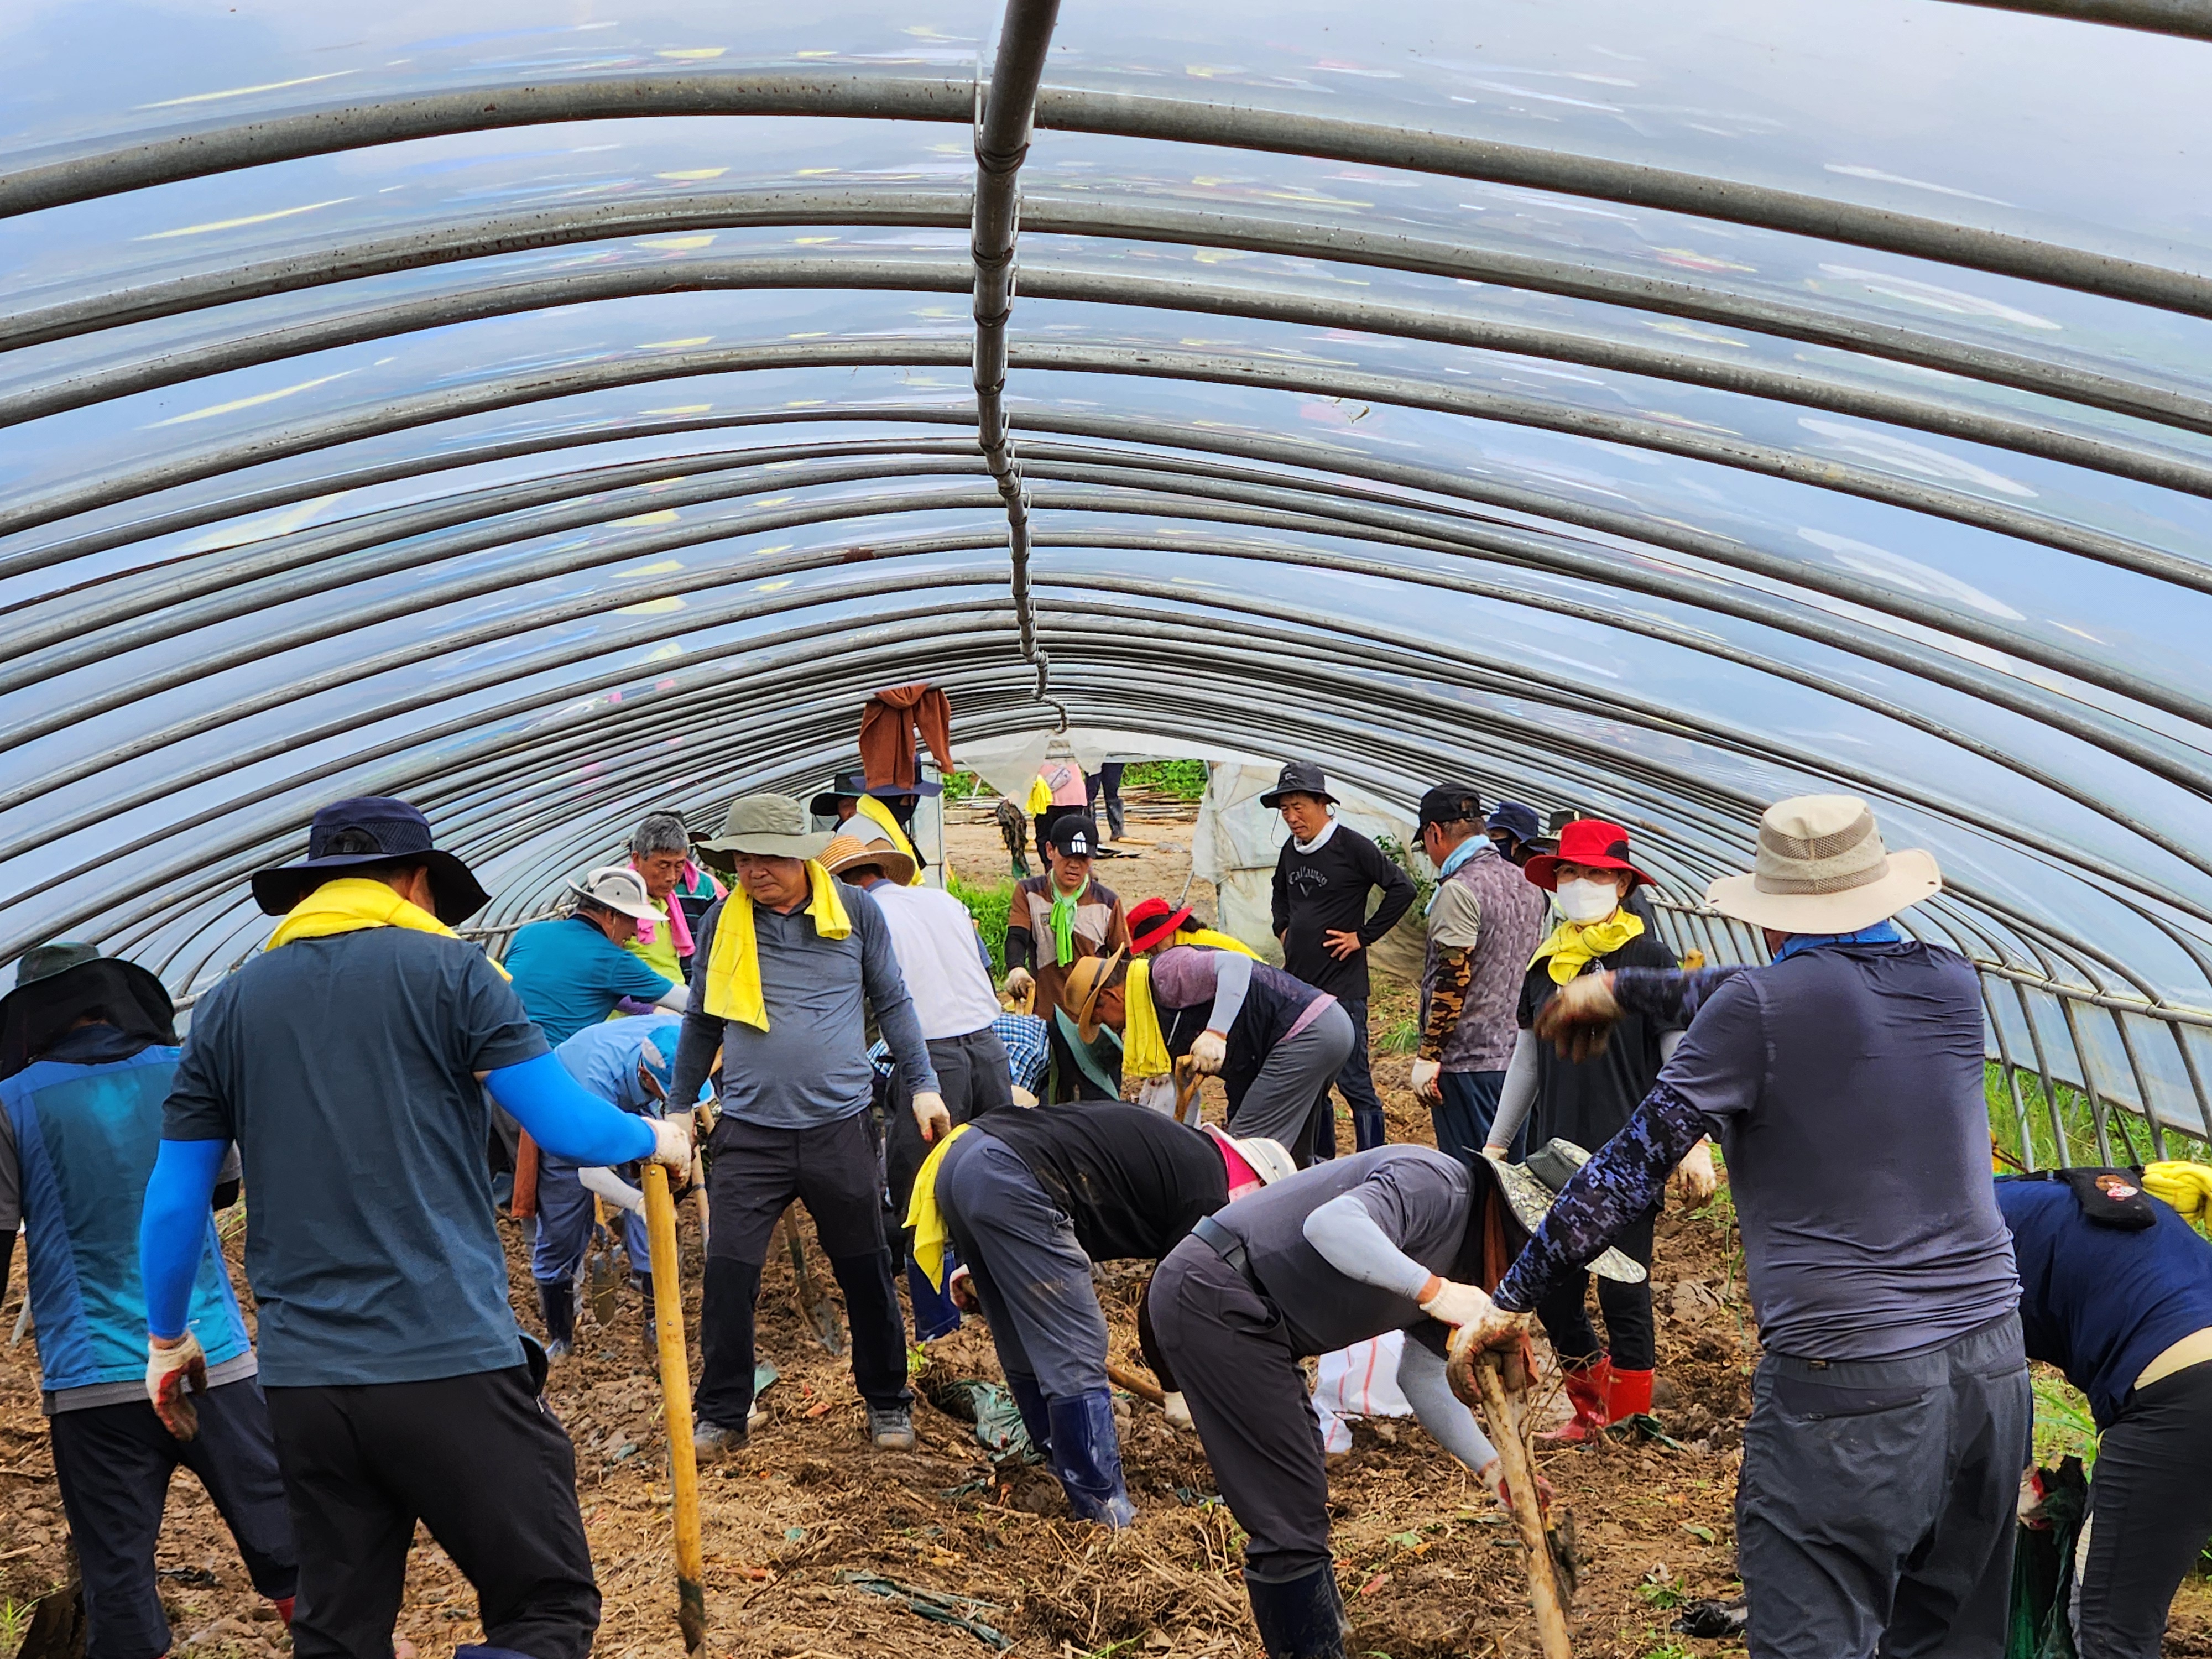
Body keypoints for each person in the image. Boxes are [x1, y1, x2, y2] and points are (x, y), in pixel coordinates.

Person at [1453, 794, 2030, 1659]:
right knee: (1949, 1635)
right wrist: (1618, 985)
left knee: (1816, 1631)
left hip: (1853, 1385)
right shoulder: (1950, 981)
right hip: (1991, 1370)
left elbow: (1622, 1170)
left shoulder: (1759, 1008)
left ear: (1769, 919)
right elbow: (1753, 989)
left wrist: (1510, 1300)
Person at [140, 796, 692, 1659]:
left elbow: (176, 1199)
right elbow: (572, 1132)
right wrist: (657, 1136)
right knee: (543, 1607)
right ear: (413, 882)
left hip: (306, 1386)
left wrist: (168, 1339)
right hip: (446, 1361)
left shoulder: (227, 1008)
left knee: (340, 1630)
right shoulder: (455, 975)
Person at [0, 945, 296, 1659]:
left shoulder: (11, 1103)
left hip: (92, 1382)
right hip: (211, 1359)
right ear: (115, 1000)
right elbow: (223, 1191)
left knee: (122, 1594)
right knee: (293, 1556)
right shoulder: (178, 1072)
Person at [1148, 1144, 1521, 1659]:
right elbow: (1332, 1225)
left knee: (1301, 1485)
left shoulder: (1477, 1264)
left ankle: (1331, 1641)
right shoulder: (1437, 1186)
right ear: (1512, 1214)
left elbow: (1421, 1376)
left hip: (1260, 1323)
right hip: (1215, 1292)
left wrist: (1492, 1468)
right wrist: (1431, 1290)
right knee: (1286, 1515)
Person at [667, 794, 947, 1459]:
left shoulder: (853, 913)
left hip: (838, 1127)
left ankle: (886, 1400)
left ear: (801, 857)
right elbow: (703, 1019)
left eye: (766, 857)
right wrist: (681, 1105)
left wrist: (924, 1086)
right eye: (740, 858)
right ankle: (723, 1412)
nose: (752, 870)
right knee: (729, 1274)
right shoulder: (722, 924)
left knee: (865, 1270)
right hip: (750, 1132)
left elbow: (894, 1002)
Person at [907, 1104, 1296, 1525]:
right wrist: (1176, 1392)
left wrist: (1004, 1259)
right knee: (1077, 1346)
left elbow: (1086, 1195)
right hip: (1010, 1175)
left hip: (967, 1162)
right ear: (1259, 1187)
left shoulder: (1185, 1155)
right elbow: (1163, 1304)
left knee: (1026, 1344)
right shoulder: (1211, 1194)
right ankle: (1102, 1506)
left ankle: (1056, 1463)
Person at [1479, 817, 1706, 1443]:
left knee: (1624, 1290)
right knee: (1552, 1292)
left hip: (1630, 1152)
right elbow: (1526, 1060)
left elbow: (1678, 1055)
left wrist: (1691, 1143)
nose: (1581, 884)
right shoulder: (1545, 965)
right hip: (1553, 1154)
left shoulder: (1651, 961)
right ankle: (1592, 1408)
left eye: (1596, 874)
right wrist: (1499, 1142)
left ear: (1623, 884)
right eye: (1571, 873)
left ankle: (1633, 1423)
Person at [1996, 1171, 2212, 1658]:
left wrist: (2020, 1476)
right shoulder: (2055, 1196)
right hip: (2189, 1371)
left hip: (2183, 1390)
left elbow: (1990, 1369)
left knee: (2107, 1627)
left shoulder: (1961, 1230)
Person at [820, 834, 1014, 1339]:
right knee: (993, 1183)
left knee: (920, 1201)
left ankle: (940, 1331)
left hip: (932, 1062)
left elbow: (864, 1002)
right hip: (989, 1051)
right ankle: (1001, 1309)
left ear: (843, 886)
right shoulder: (943, 900)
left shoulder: (862, 916)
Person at [1263, 762, 1414, 1156]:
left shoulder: (1351, 846)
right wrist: (1284, 928)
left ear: (1322, 803)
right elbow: (1280, 892)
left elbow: (1402, 888)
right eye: (1284, 810)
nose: (1292, 818)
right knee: (1312, 1080)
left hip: (1343, 987)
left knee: (1354, 1080)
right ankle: (1321, 1159)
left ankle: (1372, 1160)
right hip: (1299, 987)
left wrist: (1362, 937)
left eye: (1298, 807)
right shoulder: (1290, 851)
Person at [531, 1017, 698, 1359]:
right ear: (648, 1076)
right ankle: (562, 1339)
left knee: (655, 1204)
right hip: (567, 1114)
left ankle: (658, 1325)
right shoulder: (592, 1083)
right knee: (561, 1234)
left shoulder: (674, 1035)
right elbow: (588, 1172)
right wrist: (639, 1203)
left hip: (636, 1104)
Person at [1407, 784, 1550, 1170]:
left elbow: (1452, 979)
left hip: (1468, 1062)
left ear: (1435, 833)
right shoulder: (1528, 883)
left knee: (1472, 1180)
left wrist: (1429, 1055)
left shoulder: (1460, 890)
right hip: (1516, 1059)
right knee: (1513, 1177)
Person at [1144, 940, 1358, 1167]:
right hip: (1324, 1025)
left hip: (1307, 1032)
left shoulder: (1164, 971)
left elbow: (1236, 964)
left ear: (1112, 996)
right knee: (1291, 1159)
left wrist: (1216, 1032)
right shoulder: (1153, 1016)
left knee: (1245, 1155)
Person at [1002, 816, 1131, 1102]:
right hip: (1046, 1017)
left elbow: (1125, 960)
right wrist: (1017, 969)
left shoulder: (1107, 903)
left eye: (1084, 859)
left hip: (1093, 1023)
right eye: (1068, 856)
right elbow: (1016, 938)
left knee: (1099, 1102)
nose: (1075, 866)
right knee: (1048, 1099)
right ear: (1050, 851)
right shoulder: (1030, 893)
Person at [503, 865, 685, 1045]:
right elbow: (687, 1002)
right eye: (633, 919)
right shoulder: (614, 960)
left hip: (491, 1052)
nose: (635, 932)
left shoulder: (527, 933)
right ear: (611, 916)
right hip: (546, 1061)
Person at [625, 811, 721, 985]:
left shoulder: (667, 902)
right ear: (637, 859)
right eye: (663, 866)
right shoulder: (618, 901)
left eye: (679, 866)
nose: (671, 877)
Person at [810, 770, 931, 881]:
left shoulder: (890, 830)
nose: (853, 811)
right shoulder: (835, 840)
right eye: (846, 806)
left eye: (858, 804)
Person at [1027, 752, 1090, 865]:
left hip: (1047, 792)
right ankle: (1061, 868)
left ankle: (1052, 868)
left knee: (1046, 836)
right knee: (1071, 837)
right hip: (1061, 792)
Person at [1482, 800, 1546, 869]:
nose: (1487, 842)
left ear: (1516, 843)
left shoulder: (1538, 874)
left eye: (1494, 836)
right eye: (1486, 835)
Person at [1085, 759, 1129, 841]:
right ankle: (1090, 832)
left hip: (1113, 753)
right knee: (1091, 791)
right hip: (1093, 754)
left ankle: (1117, 829)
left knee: (1112, 789)